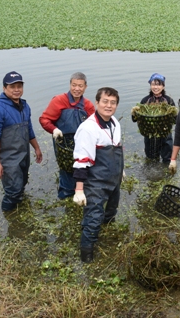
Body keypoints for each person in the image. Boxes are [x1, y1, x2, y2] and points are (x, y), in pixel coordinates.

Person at [72, 87, 123, 263]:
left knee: (111, 211)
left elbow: (117, 147)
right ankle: (86, 259)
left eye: (113, 102)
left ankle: (106, 236)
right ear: (97, 102)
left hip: (113, 180)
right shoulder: (88, 128)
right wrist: (79, 190)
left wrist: (120, 170)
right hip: (96, 183)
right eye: (105, 102)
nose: (109, 106)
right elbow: (81, 161)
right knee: (94, 219)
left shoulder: (115, 123)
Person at [0, 71, 43, 212]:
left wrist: (36, 148)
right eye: (12, 87)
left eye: (19, 86)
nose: (16, 90)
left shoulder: (25, 106)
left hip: (23, 154)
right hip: (9, 158)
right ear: (4, 88)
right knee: (12, 191)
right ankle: (9, 216)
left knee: (22, 182)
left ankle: (19, 208)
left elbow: (29, 129)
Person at [39, 72, 95, 199]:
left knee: (83, 169)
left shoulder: (88, 105)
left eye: (80, 86)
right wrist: (54, 130)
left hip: (81, 143)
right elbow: (44, 119)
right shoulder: (59, 100)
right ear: (70, 85)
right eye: (74, 85)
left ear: (85, 87)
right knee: (66, 170)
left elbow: (95, 126)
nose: (77, 89)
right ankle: (65, 195)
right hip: (63, 143)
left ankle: (80, 193)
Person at [131, 73, 175, 164]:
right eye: (153, 84)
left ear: (163, 86)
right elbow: (135, 119)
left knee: (167, 159)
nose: (156, 87)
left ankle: (166, 173)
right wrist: (134, 113)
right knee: (151, 160)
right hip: (149, 134)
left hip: (165, 134)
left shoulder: (168, 101)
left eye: (158, 84)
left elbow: (175, 119)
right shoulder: (145, 101)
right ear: (150, 85)